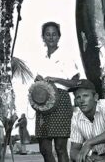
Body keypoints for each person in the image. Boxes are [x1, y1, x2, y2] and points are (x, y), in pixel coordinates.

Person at [34, 21, 80, 162]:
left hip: (61, 102)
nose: (51, 37)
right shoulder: (41, 58)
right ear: (43, 37)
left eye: (54, 34)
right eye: (47, 34)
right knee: (44, 149)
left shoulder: (66, 56)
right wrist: (38, 81)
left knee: (60, 148)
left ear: (59, 37)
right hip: (42, 104)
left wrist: (56, 79)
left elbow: (75, 82)